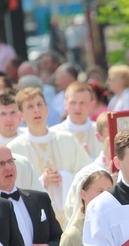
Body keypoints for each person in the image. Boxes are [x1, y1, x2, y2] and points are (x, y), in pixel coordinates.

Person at [7, 88, 90, 226]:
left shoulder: (66, 139)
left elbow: (87, 172)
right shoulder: (14, 149)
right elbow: (12, 187)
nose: (36, 110)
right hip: (37, 220)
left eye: (40, 105)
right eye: (30, 107)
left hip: (72, 216)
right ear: (20, 116)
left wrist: (65, 177)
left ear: (47, 109)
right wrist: (41, 182)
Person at [50, 81, 99, 159]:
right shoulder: (53, 134)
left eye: (82, 103)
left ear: (92, 105)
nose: (78, 108)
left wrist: (89, 158)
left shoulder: (100, 132)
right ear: (65, 104)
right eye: (73, 103)